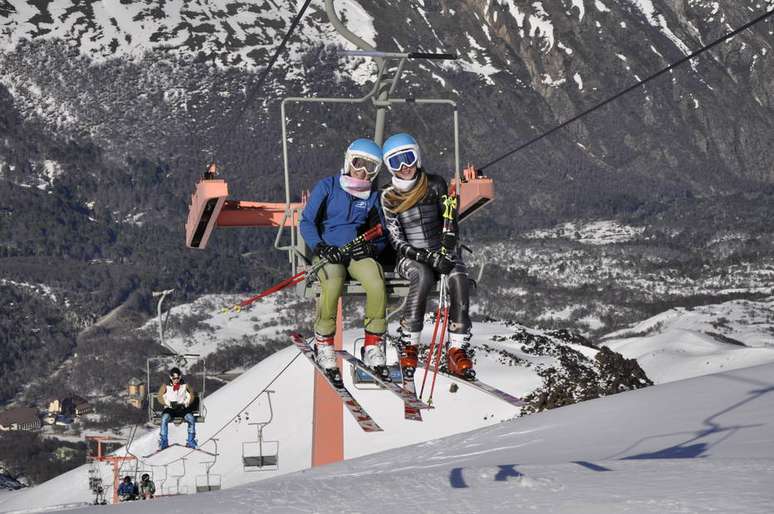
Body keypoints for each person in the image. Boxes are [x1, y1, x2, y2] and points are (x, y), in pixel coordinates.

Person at [380, 133, 475, 379]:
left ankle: (457, 349)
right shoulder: (388, 196)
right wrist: (427, 258)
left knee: (458, 276)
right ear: (389, 167)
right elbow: (396, 240)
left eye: (408, 158)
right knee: (422, 276)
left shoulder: (435, 184)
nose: (404, 167)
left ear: (417, 156)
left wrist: (447, 246)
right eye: (395, 162)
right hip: (410, 257)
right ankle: (409, 343)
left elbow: (449, 219)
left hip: (440, 250)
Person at [299, 138, 389, 381]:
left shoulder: (371, 197)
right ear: (349, 161)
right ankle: (324, 342)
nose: (362, 171)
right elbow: (307, 221)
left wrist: (371, 249)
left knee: (376, 281)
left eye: (370, 167)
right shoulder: (327, 187)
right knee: (333, 283)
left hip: (355, 252)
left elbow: (381, 231)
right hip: (328, 251)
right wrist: (320, 246)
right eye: (359, 163)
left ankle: (372, 343)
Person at [157, 367, 197, 450]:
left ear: (180, 377)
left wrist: (185, 403)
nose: (176, 380)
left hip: (182, 408)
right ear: (171, 377)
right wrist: (168, 403)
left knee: (191, 418)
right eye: (174, 378)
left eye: (178, 378)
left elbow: (191, 396)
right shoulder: (166, 386)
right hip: (170, 408)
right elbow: (160, 397)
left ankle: (191, 440)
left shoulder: (185, 385)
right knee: (164, 418)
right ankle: (164, 441)